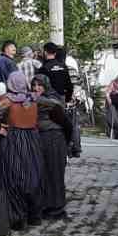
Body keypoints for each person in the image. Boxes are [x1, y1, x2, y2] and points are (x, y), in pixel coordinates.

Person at [0, 73, 45, 229]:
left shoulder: (7, 101)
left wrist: (2, 124)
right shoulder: (34, 99)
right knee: (33, 175)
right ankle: (34, 215)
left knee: (13, 177)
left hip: (14, 140)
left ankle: (17, 217)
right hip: (33, 140)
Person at [31, 74, 72, 220]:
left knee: (55, 173)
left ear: (46, 85)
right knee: (44, 174)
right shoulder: (32, 100)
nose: (36, 88)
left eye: (39, 85)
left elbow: (66, 124)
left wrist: (67, 144)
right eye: (34, 85)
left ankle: (57, 208)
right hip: (41, 139)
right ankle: (46, 205)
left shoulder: (52, 101)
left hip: (55, 139)